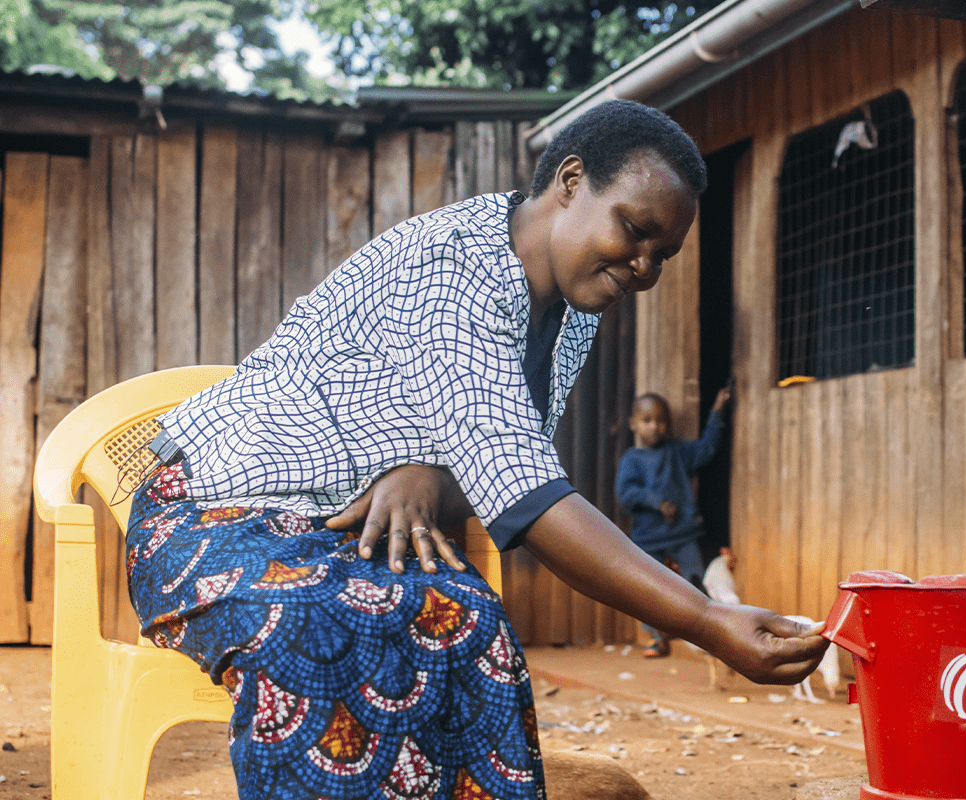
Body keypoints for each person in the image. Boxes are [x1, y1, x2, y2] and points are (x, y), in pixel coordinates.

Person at [124, 99, 830, 800]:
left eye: (663, 254)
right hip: (212, 517)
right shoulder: (454, 262)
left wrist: (429, 473)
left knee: (467, 621)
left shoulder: (568, 311)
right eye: (636, 231)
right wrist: (705, 619)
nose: (645, 268)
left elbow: (492, 461)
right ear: (572, 181)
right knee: (307, 623)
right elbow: (527, 496)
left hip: (341, 534)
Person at [615, 388, 732, 657]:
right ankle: (656, 636)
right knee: (647, 586)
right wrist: (655, 501)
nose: (654, 426)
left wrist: (717, 412)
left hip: (683, 533)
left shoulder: (678, 452)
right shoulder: (631, 460)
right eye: (646, 420)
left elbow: (706, 449)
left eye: (660, 421)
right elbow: (625, 494)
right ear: (634, 423)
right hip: (647, 539)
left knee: (696, 581)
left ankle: (704, 631)